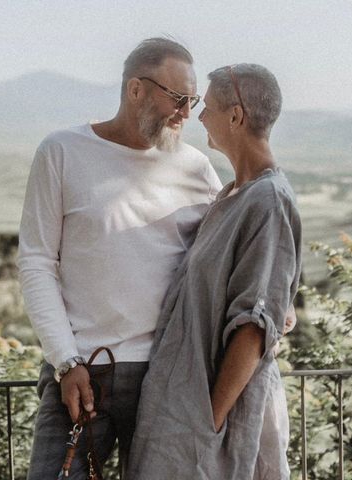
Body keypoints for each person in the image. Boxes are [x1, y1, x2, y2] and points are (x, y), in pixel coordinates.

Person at [18, 38, 223, 479]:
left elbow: (230, 255)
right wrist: (66, 361)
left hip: (168, 376)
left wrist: (275, 306)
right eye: (179, 99)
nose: (187, 113)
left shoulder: (196, 167)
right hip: (84, 373)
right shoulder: (61, 151)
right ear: (136, 90)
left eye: (194, 101)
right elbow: (36, 263)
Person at [127, 64, 302, 479]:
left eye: (208, 107)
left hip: (221, 422)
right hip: (188, 414)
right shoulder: (231, 195)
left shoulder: (269, 200)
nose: (199, 117)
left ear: (236, 116)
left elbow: (254, 326)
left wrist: (210, 422)